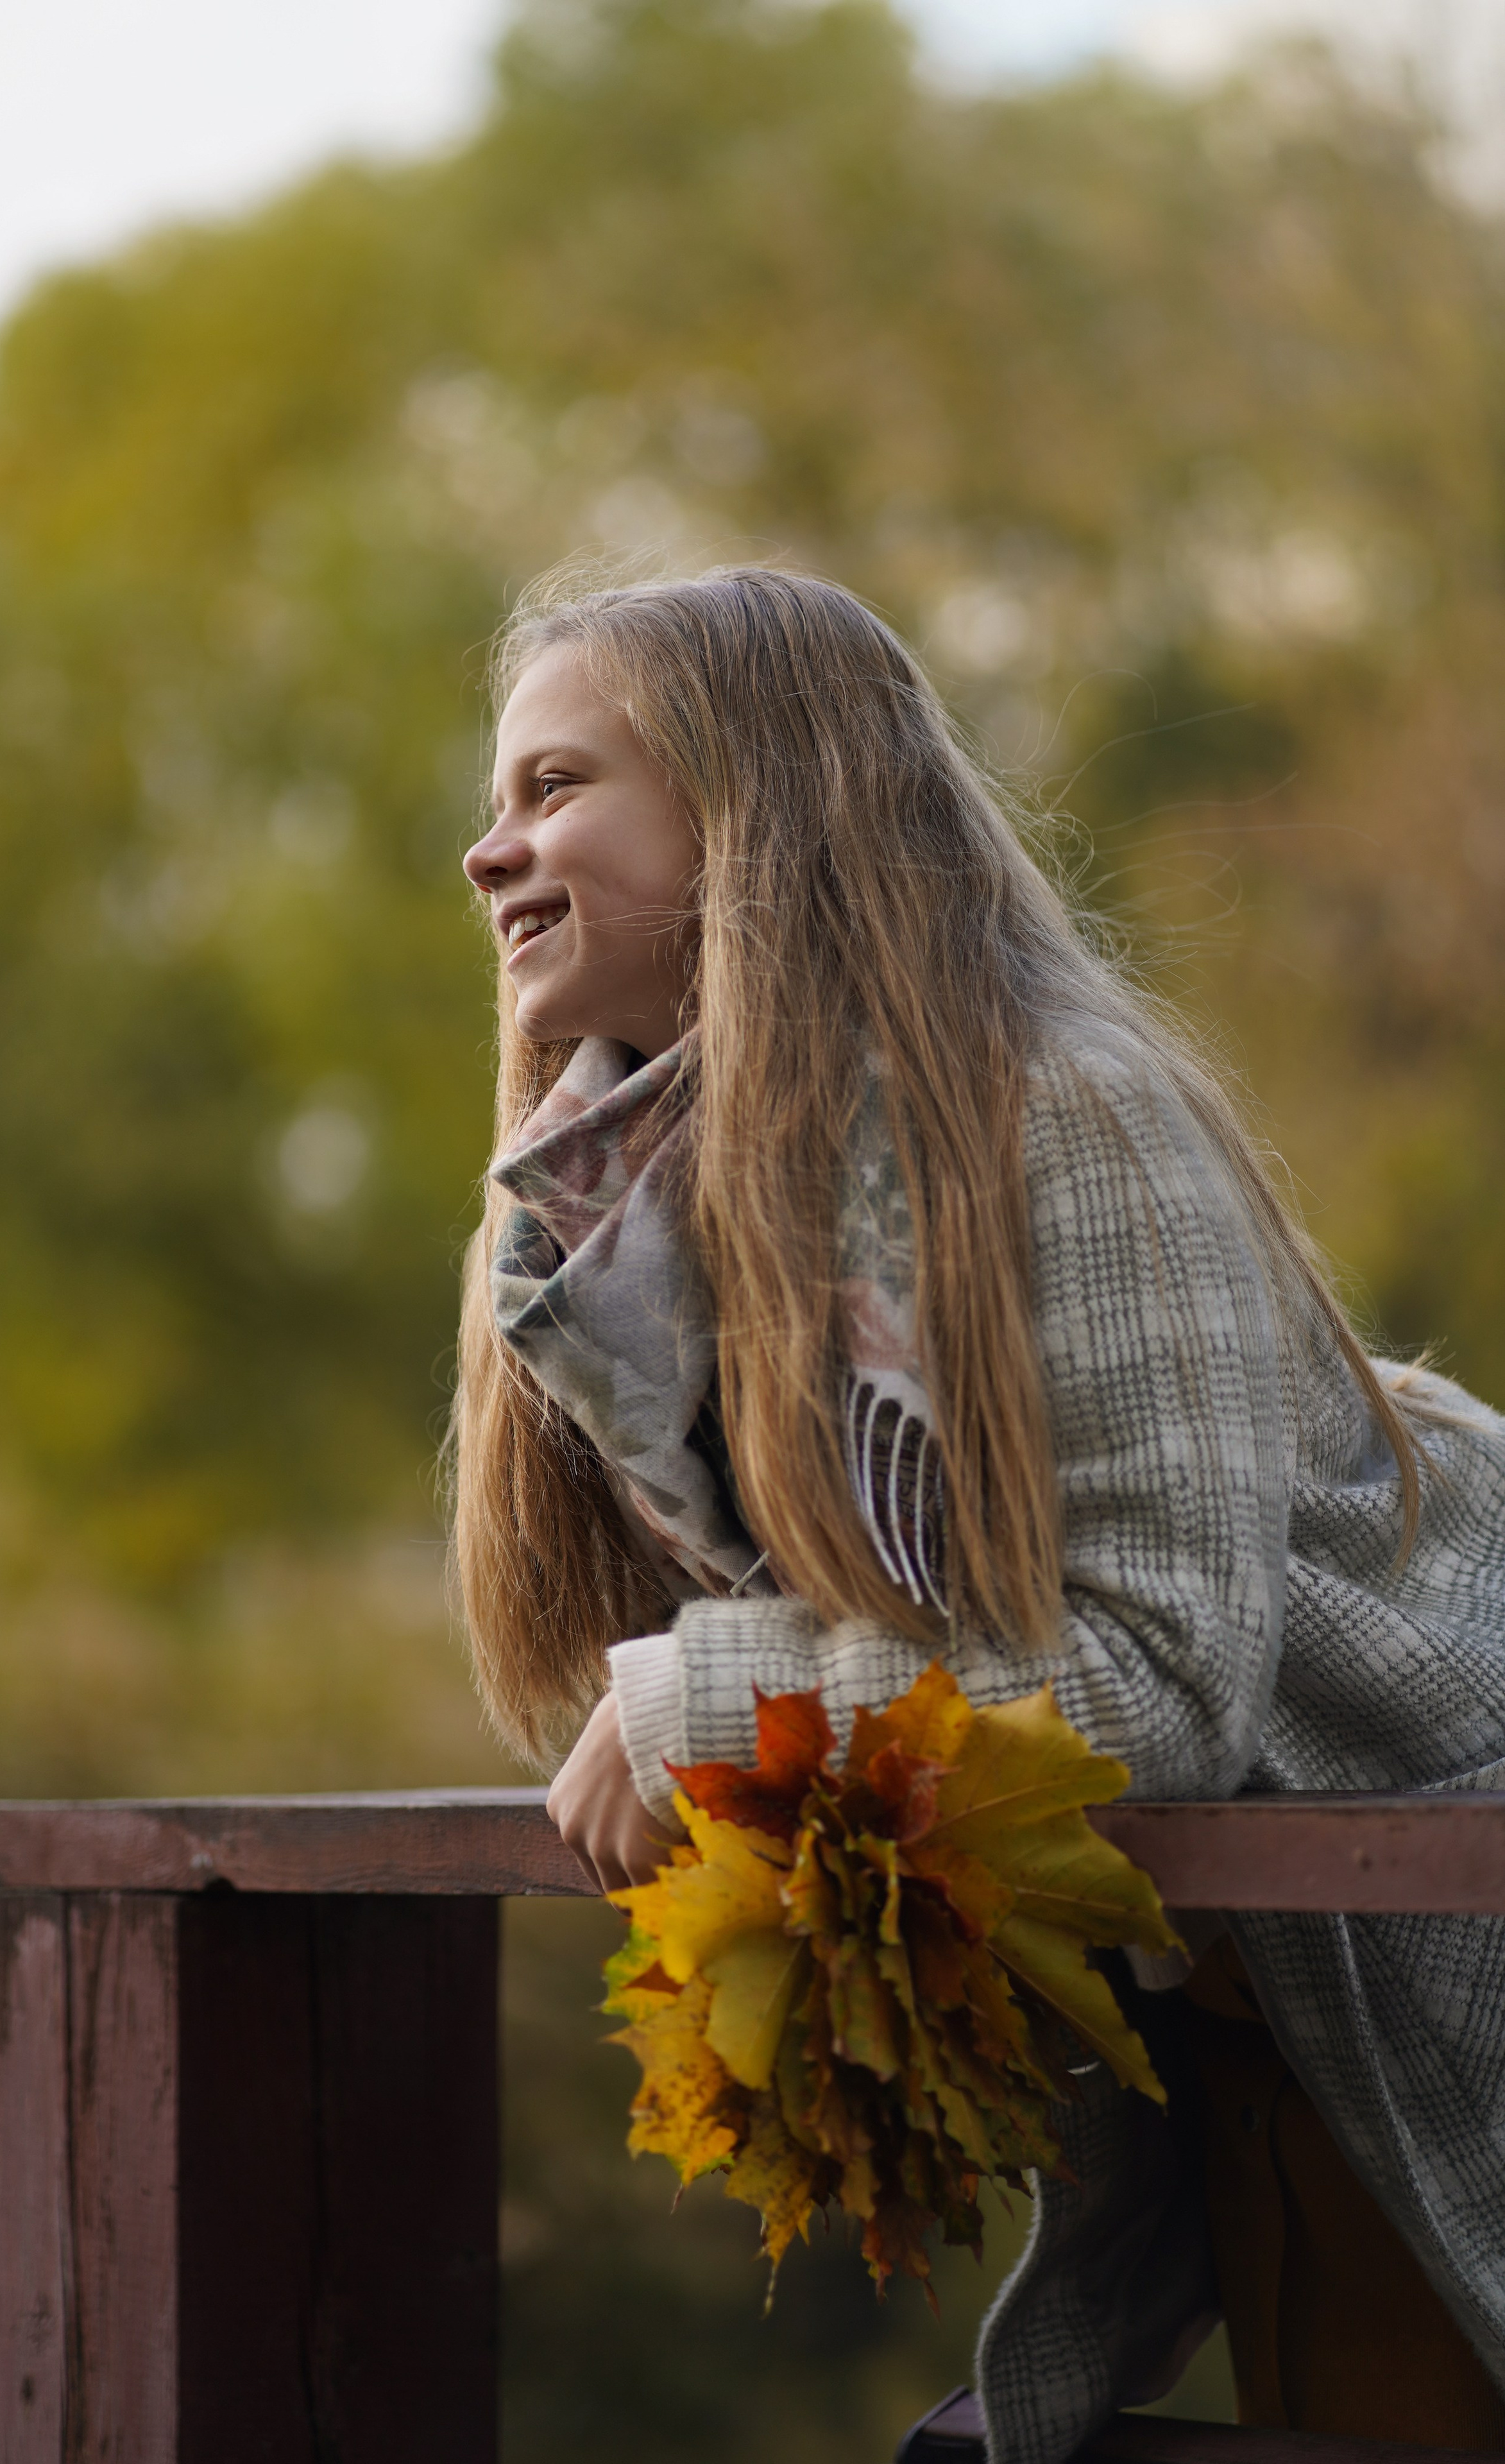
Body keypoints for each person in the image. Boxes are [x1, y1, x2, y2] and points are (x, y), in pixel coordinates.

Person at [452, 565, 1505, 2460]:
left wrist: (712, 1699)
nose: (487, 849)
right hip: (1251, 2018)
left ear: (754, 800)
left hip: (1446, 1935)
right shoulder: (642, 1227)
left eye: (556, 786)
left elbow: (1166, 1678)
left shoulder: (1061, 1116)